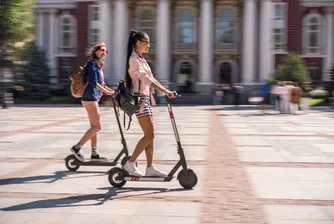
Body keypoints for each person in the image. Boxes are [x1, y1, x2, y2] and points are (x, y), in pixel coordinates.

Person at [123, 30, 177, 177]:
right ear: (138, 43)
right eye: (147, 42)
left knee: (150, 135)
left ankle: (150, 167)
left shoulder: (141, 59)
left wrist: (165, 90)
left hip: (146, 99)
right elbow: (146, 80)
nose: (149, 46)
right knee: (149, 135)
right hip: (139, 100)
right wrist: (165, 91)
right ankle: (130, 163)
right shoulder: (134, 59)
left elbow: (152, 79)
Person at [70, 43, 115, 162]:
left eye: (105, 51)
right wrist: (106, 92)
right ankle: (77, 147)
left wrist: (112, 91)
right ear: (95, 51)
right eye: (102, 50)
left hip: (93, 98)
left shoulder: (98, 66)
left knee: (94, 127)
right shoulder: (91, 64)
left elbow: (102, 83)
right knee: (97, 127)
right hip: (89, 98)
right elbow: (93, 82)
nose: (104, 52)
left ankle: (95, 153)